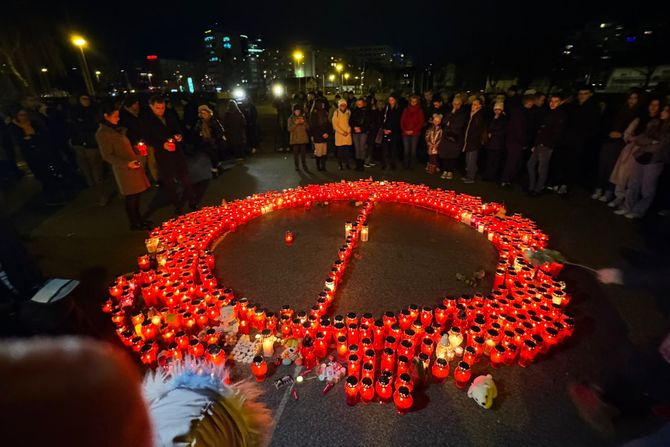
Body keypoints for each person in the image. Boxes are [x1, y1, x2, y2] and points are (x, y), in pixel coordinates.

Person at [96, 102, 151, 230]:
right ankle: (135, 223)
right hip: (124, 169)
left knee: (136, 195)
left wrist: (137, 149)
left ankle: (139, 220)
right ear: (106, 116)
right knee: (131, 197)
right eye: (115, 116)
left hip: (132, 165)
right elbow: (107, 155)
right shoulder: (103, 133)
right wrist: (126, 163)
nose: (118, 118)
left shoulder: (116, 129)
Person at [140, 95, 196, 215]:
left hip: (176, 152)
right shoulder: (147, 120)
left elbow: (178, 129)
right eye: (158, 108)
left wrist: (178, 136)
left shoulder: (169, 115)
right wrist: (162, 145)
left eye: (163, 107)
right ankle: (177, 205)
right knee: (169, 182)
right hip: (163, 155)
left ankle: (192, 201)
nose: (161, 110)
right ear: (151, 107)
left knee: (185, 178)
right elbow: (147, 138)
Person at [615, 105, 670, 219]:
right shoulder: (655, 123)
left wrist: (644, 145)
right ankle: (627, 206)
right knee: (633, 183)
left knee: (647, 189)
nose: (662, 112)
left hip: (654, 161)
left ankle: (638, 210)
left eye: (666, 110)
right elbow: (640, 138)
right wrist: (650, 142)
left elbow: (658, 147)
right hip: (640, 156)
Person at [608, 98, 661, 211]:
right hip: (630, 150)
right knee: (622, 174)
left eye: (657, 105)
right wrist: (633, 139)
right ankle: (619, 196)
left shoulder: (659, 122)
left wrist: (638, 140)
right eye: (652, 104)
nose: (653, 107)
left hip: (642, 153)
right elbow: (628, 134)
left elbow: (652, 140)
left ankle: (628, 203)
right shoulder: (640, 119)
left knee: (633, 179)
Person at [7, 106, 66, 205]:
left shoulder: (34, 124)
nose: (24, 117)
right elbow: (19, 141)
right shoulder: (14, 128)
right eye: (21, 115)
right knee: (43, 176)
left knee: (51, 174)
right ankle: (50, 198)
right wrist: (30, 138)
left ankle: (57, 195)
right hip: (32, 156)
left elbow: (42, 134)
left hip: (43, 152)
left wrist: (32, 137)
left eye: (25, 115)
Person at [592, 90, 641, 202]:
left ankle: (609, 191)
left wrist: (622, 135)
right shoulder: (618, 111)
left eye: (635, 98)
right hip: (609, 141)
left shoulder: (637, 115)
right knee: (603, 165)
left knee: (614, 168)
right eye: (630, 98)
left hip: (622, 145)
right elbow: (606, 124)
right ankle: (599, 188)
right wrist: (609, 132)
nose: (631, 101)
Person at [551, 86, 601, 195]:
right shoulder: (575, 106)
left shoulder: (593, 108)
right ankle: (560, 182)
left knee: (572, 164)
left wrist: (584, 139)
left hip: (580, 142)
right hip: (568, 139)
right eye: (580, 93)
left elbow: (593, 127)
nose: (582, 96)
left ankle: (566, 185)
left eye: (585, 93)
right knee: (564, 161)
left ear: (590, 94)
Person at [69, 94, 106, 205]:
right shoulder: (75, 113)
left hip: (97, 141)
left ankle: (99, 188)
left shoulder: (94, 110)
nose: (87, 101)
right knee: (92, 167)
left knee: (97, 167)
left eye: (88, 98)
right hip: (87, 143)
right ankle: (98, 191)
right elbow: (79, 128)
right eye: (83, 99)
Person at [526, 93, 566, 195]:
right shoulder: (548, 113)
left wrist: (548, 144)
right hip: (539, 144)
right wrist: (535, 144)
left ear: (560, 102)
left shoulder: (559, 115)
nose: (552, 103)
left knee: (542, 168)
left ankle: (537, 189)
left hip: (546, 145)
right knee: (530, 164)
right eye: (551, 101)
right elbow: (541, 129)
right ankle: (532, 186)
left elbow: (557, 133)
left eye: (556, 101)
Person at [501, 94, 536, 186]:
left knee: (514, 161)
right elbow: (520, 129)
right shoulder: (520, 113)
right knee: (512, 161)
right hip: (515, 142)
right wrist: (523, 142)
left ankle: (509, 179)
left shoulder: (519, 112)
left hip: (514, 141)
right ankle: (506, 180)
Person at [439, 94, 467, 179]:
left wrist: (450, 124)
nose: (456, 106)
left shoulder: (463, 113)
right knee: (445, 153)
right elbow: (444, 122)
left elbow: (459, 124)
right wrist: (451, 114)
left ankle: (450, 171)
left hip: (455, 136)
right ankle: (445, 170)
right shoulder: (449, 112)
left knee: (452, 154)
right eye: (454, 104)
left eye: (458, 104)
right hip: (446, 136)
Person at [194, 105, 226, 177]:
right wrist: (199, 134)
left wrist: (217, 137)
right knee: (213, 157)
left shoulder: (214, 121)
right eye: (201, 113)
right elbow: (196, 132)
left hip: (216, 142)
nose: (203, 115)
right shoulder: (199, 122)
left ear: (208, 113)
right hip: (206, 143)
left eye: (204, 113)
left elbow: (220, 130)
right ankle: (214, 171)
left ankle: (218, 167)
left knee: (218, 155)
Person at [461, 97, 487, 183]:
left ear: (480, 106)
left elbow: (478, 130)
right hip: (469, 141)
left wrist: (471, 138)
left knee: (471, 159)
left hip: (473, 142)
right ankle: (468, 175)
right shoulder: (473, 114)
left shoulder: (478, 116)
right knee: (468, 159)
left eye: (475, 104)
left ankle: (471, 177)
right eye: (473, 104)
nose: (473, 106)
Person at [482, 101, 507, 181]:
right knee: (489, 159)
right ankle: (488, 174)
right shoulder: (492, 118)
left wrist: (493, 134)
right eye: (495, 109)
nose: (497, 111)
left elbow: (503, 130)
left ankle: (492, 176)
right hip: (490, 143)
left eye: (499, 109)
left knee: (495, 160)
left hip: (497, 143)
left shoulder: (503, 119)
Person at [400, 95, 425, 170]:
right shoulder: (406, 110)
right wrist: (405, 130)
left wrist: (413, 130)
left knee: (413, 150)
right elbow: (402, 121)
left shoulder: (419, 110)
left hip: (415, 133)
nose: (413, 103)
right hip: (405, 132)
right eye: (412, 101)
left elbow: (421, 122)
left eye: (415, 101)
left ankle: (412, 165)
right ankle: (406, 164)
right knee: (406, 149)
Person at [381, 94, 403, 170]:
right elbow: (383, 118)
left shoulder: (398, 109)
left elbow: (397, 121)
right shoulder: (386, 108)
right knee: (385, 148)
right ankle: (384, 163)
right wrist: (384, 129)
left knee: (393, 148)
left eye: (392, 100)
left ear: (395, 100)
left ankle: (392, 163)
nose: (390, 101)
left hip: (394, 131)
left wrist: (391, 129)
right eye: (389, 100)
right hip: (386, 130)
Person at [309, 99, 330, 171]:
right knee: (319, 152)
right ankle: (318, 166)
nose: (323, 105)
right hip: (318, 135)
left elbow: (328, 124)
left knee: (324, 151)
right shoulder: (314, 113)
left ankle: (323, 166)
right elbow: (313, 126)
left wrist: (327, 132)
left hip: (325, 135)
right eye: (322, 103)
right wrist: (322, 133)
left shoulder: (324, 112)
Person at [350, 98, 370, 171]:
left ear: (363, 103)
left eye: (360, 103)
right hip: (355, 132)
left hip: (363, 132)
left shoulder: (367, 111)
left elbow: (368, 122)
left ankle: (361, 165)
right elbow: (351, 121)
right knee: (357, 148)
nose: (359, 105)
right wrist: (354, 127)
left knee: (362, 148)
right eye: (358, 103)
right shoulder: (354, 111)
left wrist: (361, 128)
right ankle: (358, 164)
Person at [288, 105, 310, 171]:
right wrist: (295, 123)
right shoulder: (291, 118)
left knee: (303, 154)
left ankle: (304, 165)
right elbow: (289, 129)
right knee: (296, 154)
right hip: (295, 139)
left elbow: (308, 127)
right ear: (294, 111)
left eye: (299, 111)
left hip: (303, 138)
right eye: (296, 111)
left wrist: (304, 123)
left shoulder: (303, 117)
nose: (297, 112)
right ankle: (296, 166)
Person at [332, 99, 353, 170]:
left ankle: (347, 164)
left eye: (344, 105)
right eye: (341, 105)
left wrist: (348, 131)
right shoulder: (336, 113)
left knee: (347, 152)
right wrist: (342, 132)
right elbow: (335, 125)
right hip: (340, 135)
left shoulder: (348, 112)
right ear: (339, 106)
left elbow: (351, 123)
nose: (343, 106)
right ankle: (340, 164)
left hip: (347, 135)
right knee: (340, 152)